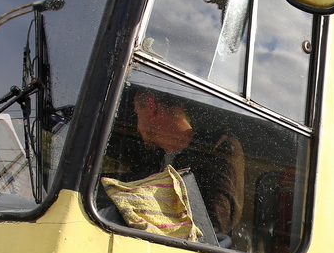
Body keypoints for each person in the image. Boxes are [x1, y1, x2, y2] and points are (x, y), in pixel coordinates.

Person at [99, 88, 245, 245]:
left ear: (150, 105)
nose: (137, 127)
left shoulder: (217, 148)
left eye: (137, 114)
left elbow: (216, 224)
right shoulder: (151, 159)